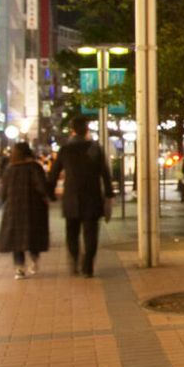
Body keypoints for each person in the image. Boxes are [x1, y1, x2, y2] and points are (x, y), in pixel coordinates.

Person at [48, 117, 113, 277]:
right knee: (91, 232)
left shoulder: (65, 150)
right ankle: (88, 266)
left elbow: (54, 173)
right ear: (86, 131)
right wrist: (109, 193)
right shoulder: (95, 148)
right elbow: (105, 173)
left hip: (71, 197)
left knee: (72, 232)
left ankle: (75, 260)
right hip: (92, 197)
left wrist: (50, 193)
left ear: (73, 130)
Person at [0, 142, 51, 278]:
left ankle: (19, 268)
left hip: (14, 208)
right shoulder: (35, 167)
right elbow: (41, 187)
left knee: (17, 240)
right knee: (33, 236)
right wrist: (47, 197)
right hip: (34, 206)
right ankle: (34, 259)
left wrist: (1, 203)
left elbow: (4, 192)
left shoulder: (10, 169)